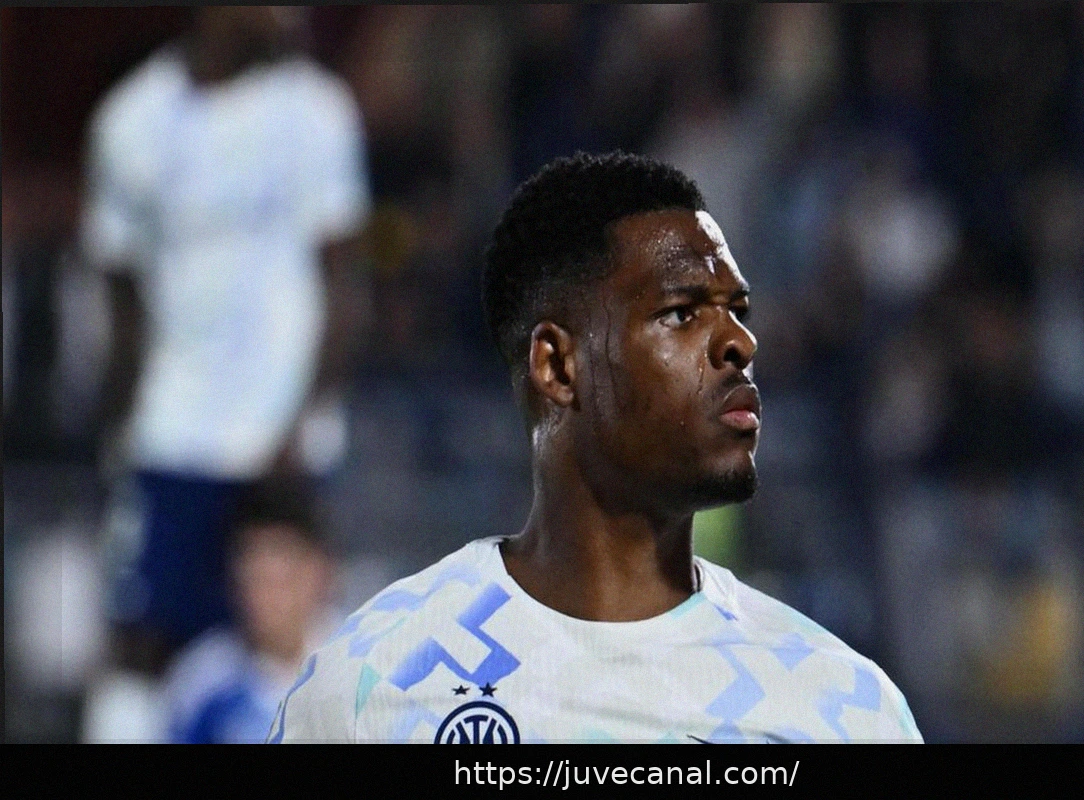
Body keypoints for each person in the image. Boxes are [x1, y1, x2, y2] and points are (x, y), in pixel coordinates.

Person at [270, 151, 922, 743]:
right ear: (557, 366)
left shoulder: (841, 708)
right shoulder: (372, 689)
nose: (739, 343)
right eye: (681, 313)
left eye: (738, 311)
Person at [78, 7, 369, 740]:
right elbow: (121, 296)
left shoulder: (316, 112)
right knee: (144, 646)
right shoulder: (130, 121)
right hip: (171, 437)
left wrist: (304, 419)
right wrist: (121, 435)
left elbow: (344, 283)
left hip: (282, 443)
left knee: (294, 646)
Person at [163, 477, 339, 744]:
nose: (265, 599)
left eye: (280, 581)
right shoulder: (202, 681)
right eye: (254, 579)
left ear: (317, 573)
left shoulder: (360, 661)